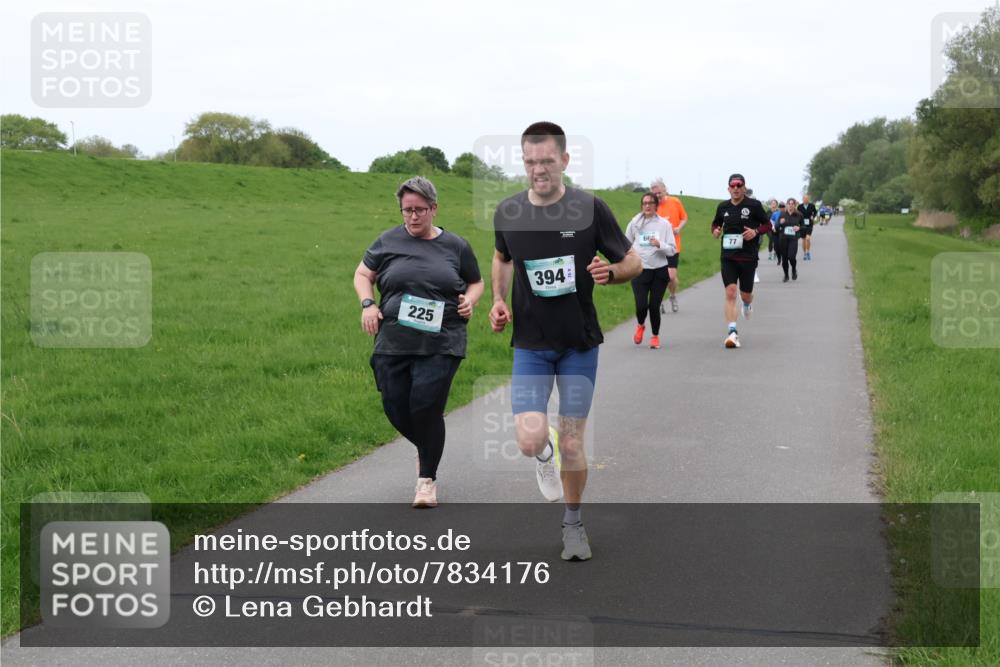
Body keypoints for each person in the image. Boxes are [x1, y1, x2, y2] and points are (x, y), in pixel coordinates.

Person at [490, 121, 641, 561]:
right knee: (530, 440)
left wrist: (611, 273)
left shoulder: (590, 210)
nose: (539, 170)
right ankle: (544, 453)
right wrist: (499, 300)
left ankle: (573, 524)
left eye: (547, 161)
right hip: (531, 346)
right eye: (531, 161)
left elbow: (631, 261)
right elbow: (501, 259)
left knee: (575, 443)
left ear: (565, 161)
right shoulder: (508, 213)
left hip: (578, 344)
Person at [354, 176, 484, 509]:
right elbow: (362, 274)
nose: (412, 217)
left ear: (434, 209)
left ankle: (426, 481)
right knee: (394, 404)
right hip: (394, 338)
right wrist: (368, 304)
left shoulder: (456, 246)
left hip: (442, 339)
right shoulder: (387, 241)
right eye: (406, 210)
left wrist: (471, 300)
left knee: (426, 405)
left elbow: (476, 282)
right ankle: (426, 446)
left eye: (419, 210)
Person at [710, 173, 771, 349]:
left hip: (748, 257)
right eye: (733, 185)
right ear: (728, 188)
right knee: (730, 292)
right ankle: (732, 333)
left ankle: (747, 303)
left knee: (745, 294)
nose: (736, 188)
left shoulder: (754, 205)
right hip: (728, 257)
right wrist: (715, 231)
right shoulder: (723, 207)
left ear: (744, 188)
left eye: (739, 185)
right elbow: (715, 224)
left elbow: (768, 225)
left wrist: (756, 232)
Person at [625, 192, 677, 349]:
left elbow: (672, 250)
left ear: (656, 205)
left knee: (654, 306)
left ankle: (655, 336)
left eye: (650, 203)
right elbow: (625, 244)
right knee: (641, 306)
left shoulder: (664, 225)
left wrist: (659, 244)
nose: (647, 206)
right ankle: (641, 325)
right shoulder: (634, 223)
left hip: (659, 271)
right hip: (639, 270)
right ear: (642, 206)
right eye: (644, 203)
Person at [650, 179, 688, 313]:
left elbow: (684, 218)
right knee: (658, 275)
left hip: (673, 245)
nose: (658, 196)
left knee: (671, 276)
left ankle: (672, 296)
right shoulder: (651, 206)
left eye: (660, 193)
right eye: (655, 194)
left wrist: (678, 228)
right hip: (656, 246)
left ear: (665, 190)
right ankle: (659, 300)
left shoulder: (675, 201)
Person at [776, 198, 803, 282]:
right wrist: (780, 223)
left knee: (791, 257)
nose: (791, 205)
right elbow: (776, 226)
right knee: (784, 259)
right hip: (783, 238)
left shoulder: (799, 215)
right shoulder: (782, 214)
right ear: (787, 205)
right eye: (789, 203)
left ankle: (794, 269)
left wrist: (799, 227)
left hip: (793, 239)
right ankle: (786, 275)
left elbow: (804, 227)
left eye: (792, 204)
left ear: (795, 205)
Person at [799, 193, 817, 259]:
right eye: (804, 199)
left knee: (808, 238)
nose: (806, 200)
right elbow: (797, 214)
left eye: (807, 199)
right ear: (803, 199)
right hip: (802, 225)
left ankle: (808, 252)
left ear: (808, 199)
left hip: (809, 224)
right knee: (803, 240)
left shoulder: (812, 205)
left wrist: (813, 216)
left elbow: (815, 212)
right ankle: (805, 253)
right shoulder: (799, 206)